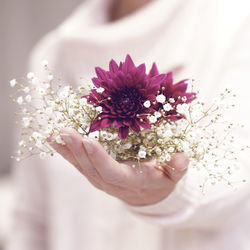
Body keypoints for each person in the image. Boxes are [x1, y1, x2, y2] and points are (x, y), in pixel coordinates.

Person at [7, 0, 250, 249]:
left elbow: (239, 185)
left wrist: (163, 195)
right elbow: (32, 220)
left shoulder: (236, 22)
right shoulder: (53, 53)